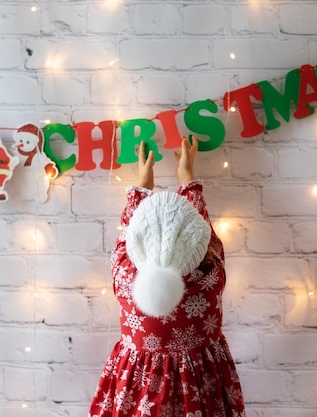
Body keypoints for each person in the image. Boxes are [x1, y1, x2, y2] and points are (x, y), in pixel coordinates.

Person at [88, 137, 246, 417]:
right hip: (201, 387)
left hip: (137, 390)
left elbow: (128, 236)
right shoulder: (210, 273)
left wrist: (141, 188)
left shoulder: (126, 275)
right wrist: (188, 179)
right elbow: (202, 235)